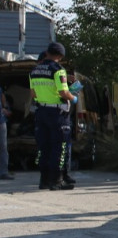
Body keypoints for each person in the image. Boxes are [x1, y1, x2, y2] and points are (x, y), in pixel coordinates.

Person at [28, 42, 75, 190]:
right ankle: (57, 181)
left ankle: (44, 180)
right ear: (60, 56)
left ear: (47, 53)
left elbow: (33, 94)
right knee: (59, 147)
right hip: (57, 113)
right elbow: (63, 93)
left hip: (41, 112)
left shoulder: (34, 71)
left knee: (43, 147)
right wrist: (73, 98)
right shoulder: (58, 71)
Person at [0, 84, 12, 180]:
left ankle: (4, 172)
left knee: (3, 147)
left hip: (1, 121)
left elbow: (3, 99)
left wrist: (5, 108)